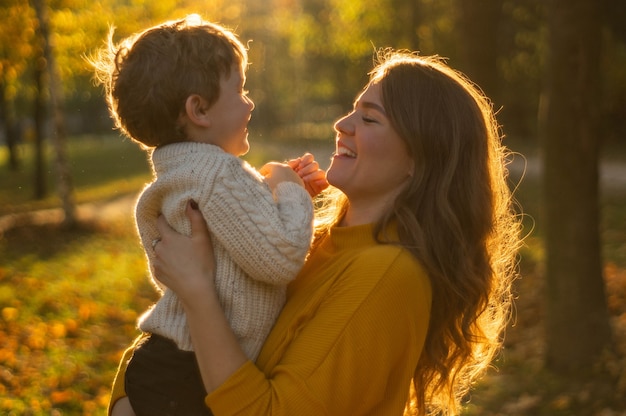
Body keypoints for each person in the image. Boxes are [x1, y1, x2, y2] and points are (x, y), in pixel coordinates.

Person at [108, 49, 522, 415]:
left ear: (422, 157)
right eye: (352, 109)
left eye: (369, 118)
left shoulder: (387, 276)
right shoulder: (325, 244)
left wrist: (197, 290)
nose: (342, 124)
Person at [93, 15, 328, 416]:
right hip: (189, 375)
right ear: (198, 109)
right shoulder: (217, 175)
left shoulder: (181, 175)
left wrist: (283, 197)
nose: (250, 102)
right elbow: (281, 257)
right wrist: (290, 189)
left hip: (171, 367)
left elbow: (230, 247)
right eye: (240, 89)